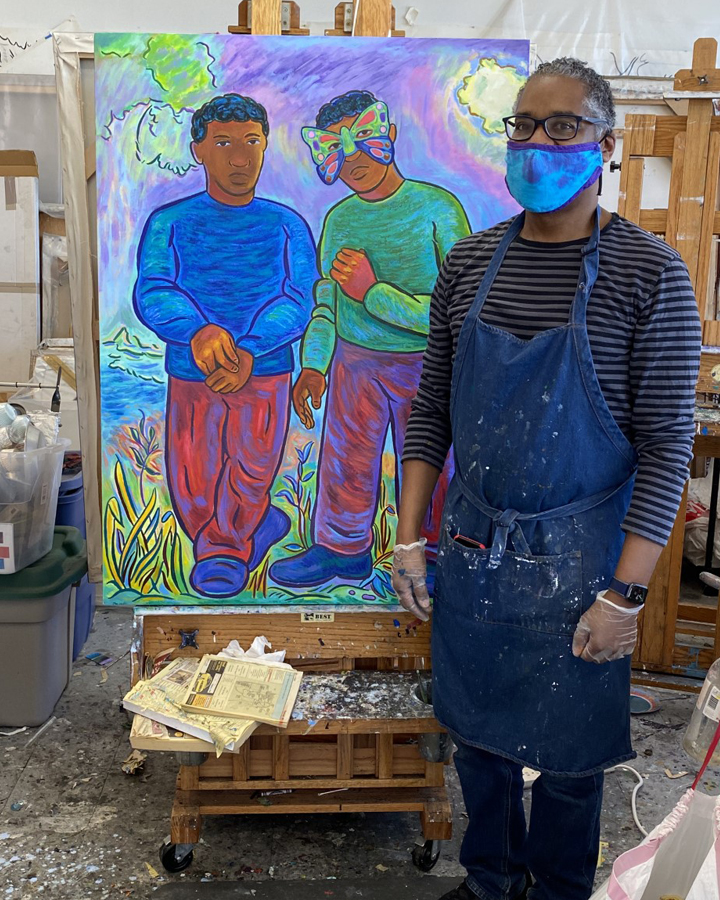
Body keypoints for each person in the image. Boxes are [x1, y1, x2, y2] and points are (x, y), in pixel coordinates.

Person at [392, 59, 702, 900]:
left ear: (607, 143)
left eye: (561, 126)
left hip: (583, 565)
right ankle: (490, 881)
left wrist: (625, 596)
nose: (537, 141)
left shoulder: (651, 276)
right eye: (523, 125)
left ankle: (559, 889)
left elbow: (669, 451)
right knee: (479, 734)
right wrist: (410, 538)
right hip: (469, 541)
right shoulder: (468, 265)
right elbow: (431, 413)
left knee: (567, 756)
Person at [269, 90, 470, 588]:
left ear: (390, 137)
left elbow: (458, 313)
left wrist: (375, 293)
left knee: (431, 461)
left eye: (363, 146)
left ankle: (438, 551)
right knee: (344, 459)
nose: (353, 162)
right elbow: (327, 305)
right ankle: (341, 549)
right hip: (354, 363)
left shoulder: (437, 209)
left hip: (427, 365)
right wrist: (314, 365)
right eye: (340, 151)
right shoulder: (339, 219)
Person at [134, 93, 317, 599]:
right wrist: (197, 330)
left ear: (265, 147)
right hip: (192, 372)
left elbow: (300, 298)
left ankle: (224, 552)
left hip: (265, 371)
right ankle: (247, 532)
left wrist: (252, 348)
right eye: (223, 143)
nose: (240, 158)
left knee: (253, 465)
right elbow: (153, 290)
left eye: (252, 142)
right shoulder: (169, 222)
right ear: (199, 150)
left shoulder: (287, 225)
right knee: (192, 474)